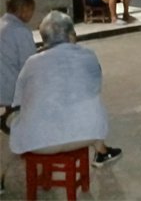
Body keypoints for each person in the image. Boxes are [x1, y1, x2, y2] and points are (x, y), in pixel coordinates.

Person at [9, 11, 121, 167]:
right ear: (71, 36)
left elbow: (18, 100)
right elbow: (95, 86)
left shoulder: (31, 63)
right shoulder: (88, 55)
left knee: (21, 114)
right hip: (87, 134)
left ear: (44, 39)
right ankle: (101, 151)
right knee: (88, 103)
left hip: (38, 143)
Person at [0, 0, 36, 192]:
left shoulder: (2, 24)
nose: (32, 15)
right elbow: (29, 65)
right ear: (22, 10)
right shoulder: (20, 31)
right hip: (9, 88)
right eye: (30, 10)